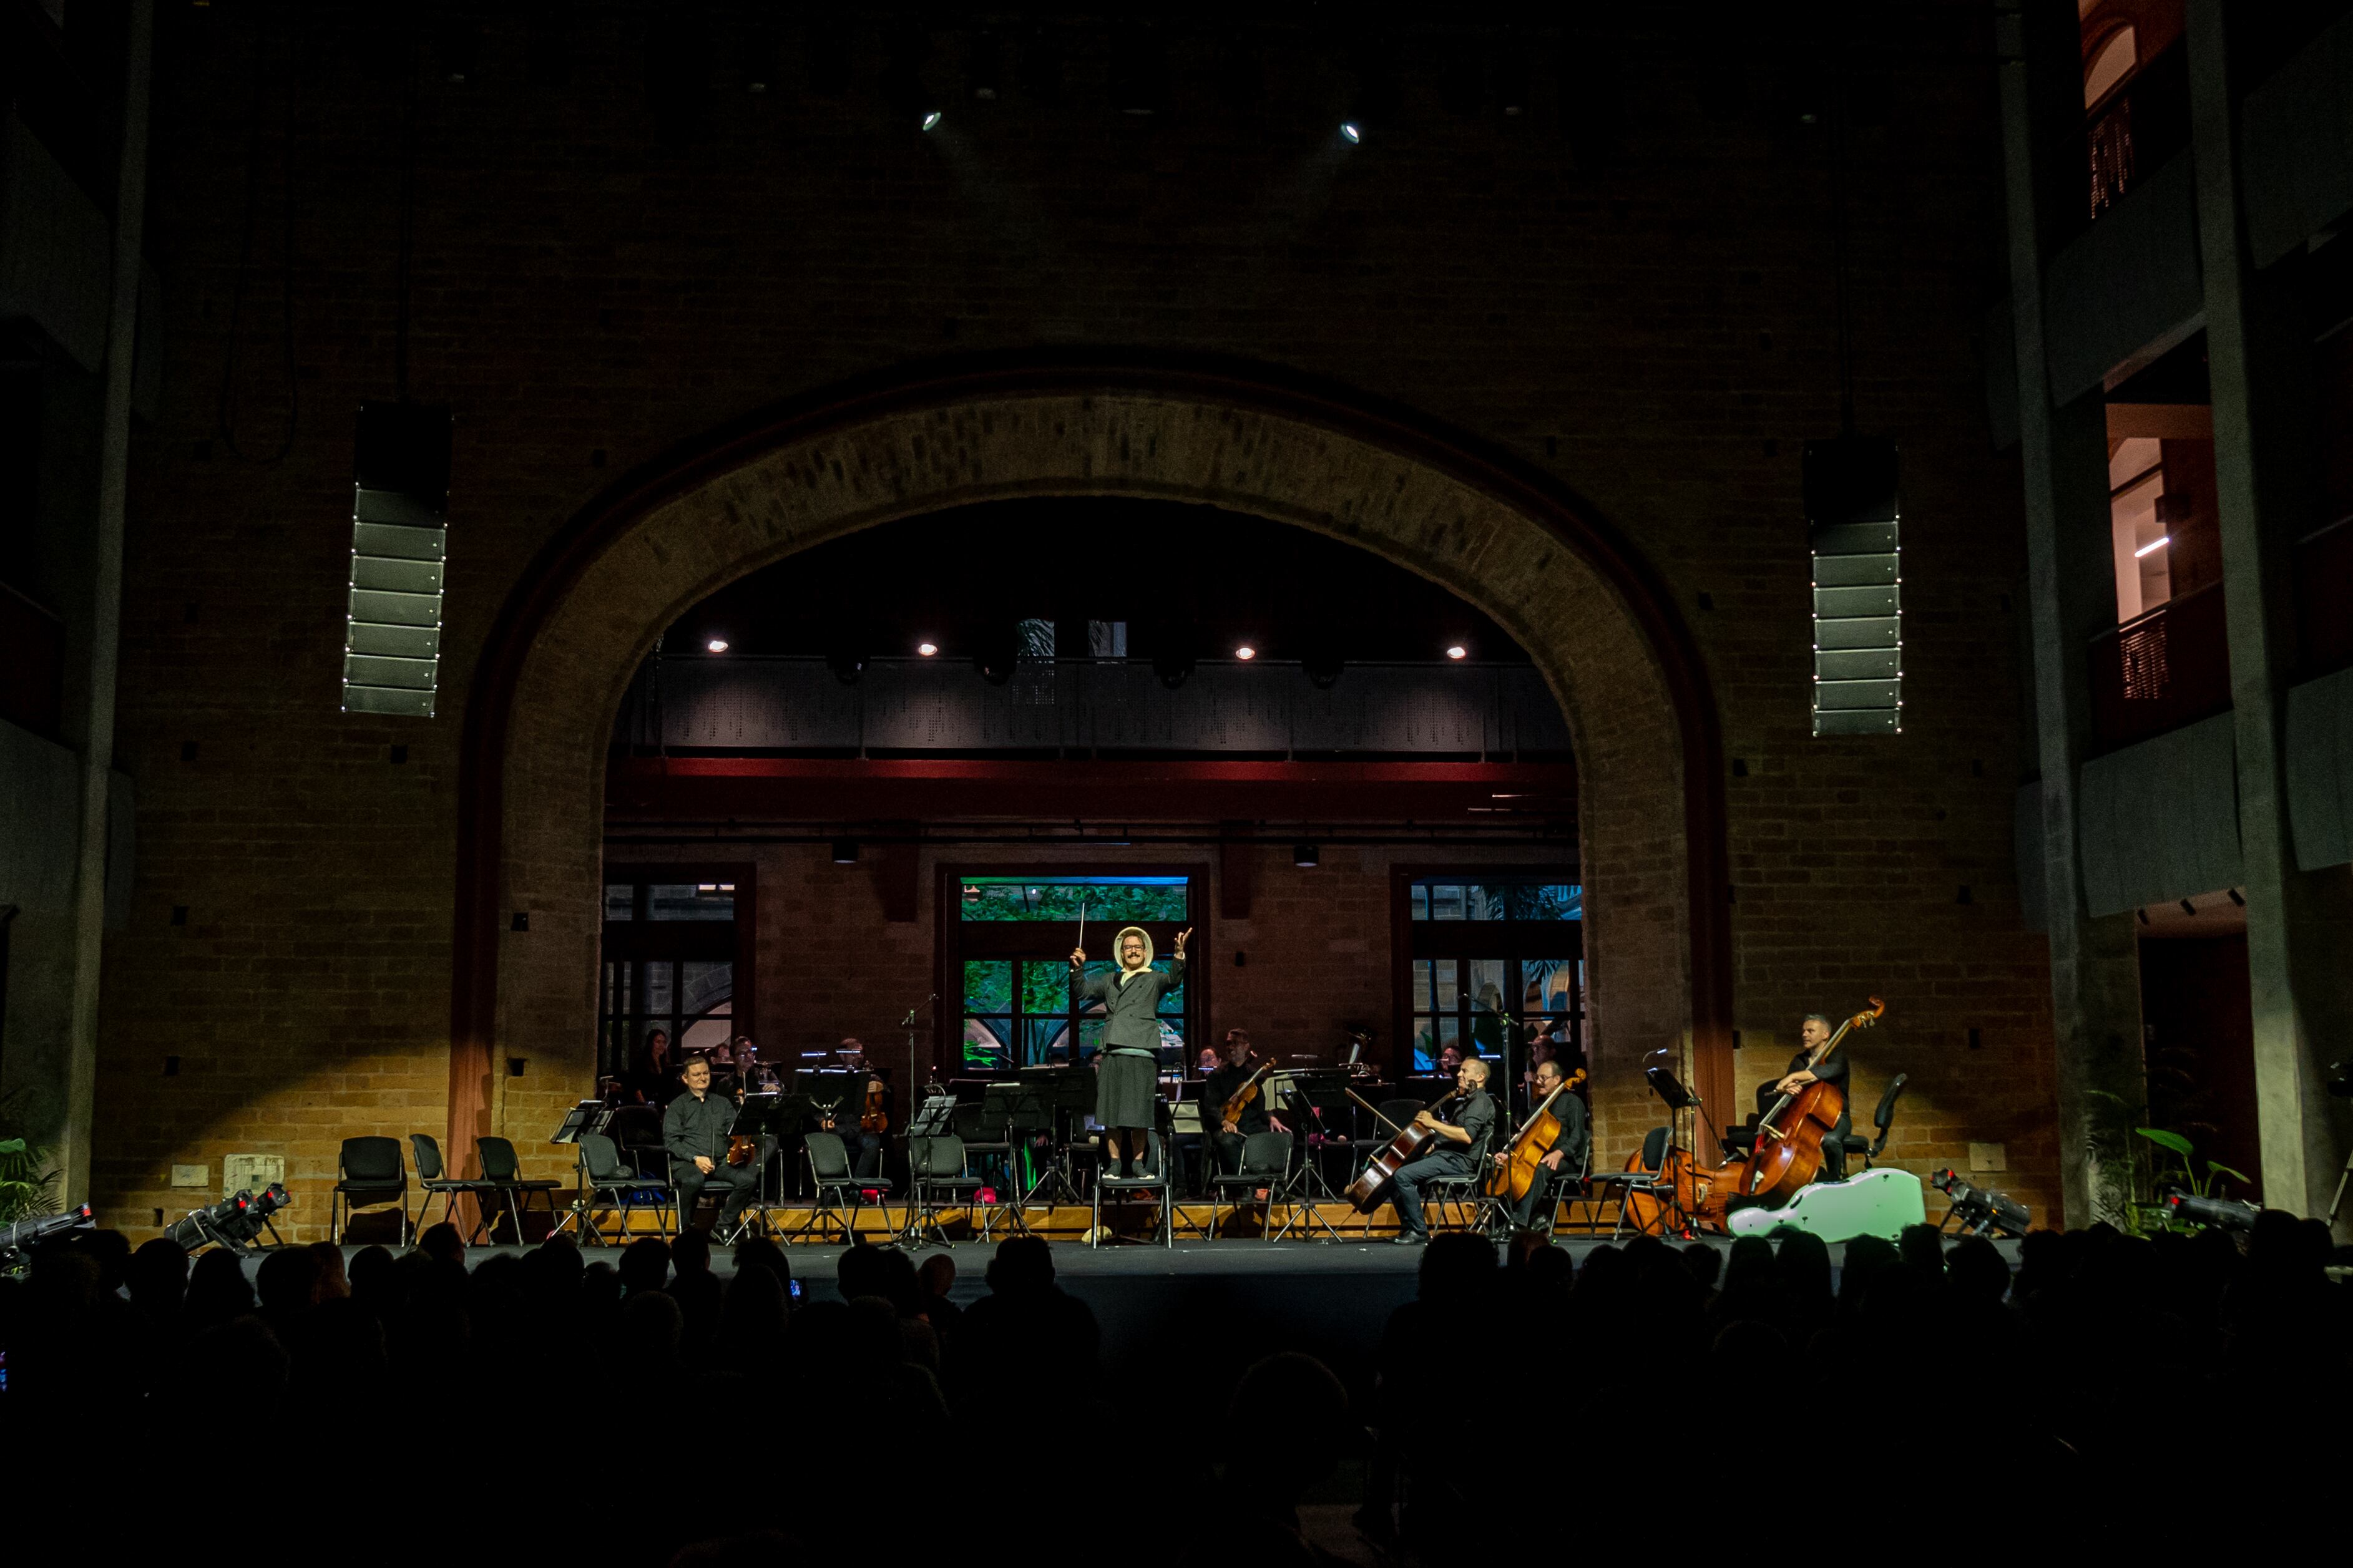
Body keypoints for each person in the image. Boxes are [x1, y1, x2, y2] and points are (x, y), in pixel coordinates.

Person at [1069, 924, 1189, 1179]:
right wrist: (1078, 968)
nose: (1133, 951)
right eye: (1128, 948)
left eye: (1137, 947)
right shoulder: (1109, 980)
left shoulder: (1154, 978)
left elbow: (1175, 979)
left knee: (1140, 1113)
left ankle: (1137, 1163)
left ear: (1145, 952)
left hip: (1142, 1052)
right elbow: (1082, 992)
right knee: (1111, 1112)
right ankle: (1114, 1163)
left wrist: (1179, 955)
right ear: (1121, 953)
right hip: (1113, 1052)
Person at [1387, 1058, 1495, 1245]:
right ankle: (1408, 1228)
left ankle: (1419, 1231)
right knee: (1395, 1173)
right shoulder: (1467, 1102)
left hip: (1462, 1162)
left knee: (1403, 1176)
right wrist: (1435, 1145)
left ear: (1480, 1076)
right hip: (1448, 1156)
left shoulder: (1480, 1103)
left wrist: (1432, 1123)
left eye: (1464, 1071)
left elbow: (1467, 1136)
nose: (1459, 1075)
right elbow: (1452, 1134)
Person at [664, 1056, 760, 1235]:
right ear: (685, 1079)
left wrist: (746, 1121)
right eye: (697, 1074)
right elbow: (671, 1142)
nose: (703, 1077)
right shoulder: (677, 1106)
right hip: (688, 1164)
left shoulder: (721, 1103)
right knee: (694, 1180)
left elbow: (736, 1131)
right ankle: (685, 1229)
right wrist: (695, 1159)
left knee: (747, 1181)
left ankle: (723, 1224)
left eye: (706, 1073)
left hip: (719, 1163)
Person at [1755, 1012, 1853, 1183]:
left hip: (1837, 1117)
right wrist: (1788, 1089)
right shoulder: (1799, 1060)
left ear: (1825, 1035)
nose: (1804, 1035)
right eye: (1804, 1031)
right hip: (1804, 1116)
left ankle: (1836, 1181)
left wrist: (1792, 1077)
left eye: (1810, 1031)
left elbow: (1828, 1072)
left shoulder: (1837, 1057)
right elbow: (1791, 1090)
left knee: (1830, 1141)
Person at [1496, 1057, 1588, 1232]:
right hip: (1539, 1156)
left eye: (1543, 1078)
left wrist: (1559, 1152)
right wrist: (1512, 1155)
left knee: (1540, 1170)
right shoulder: (1539, 1104)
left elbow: (1578, 1137)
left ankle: (1519, 1222)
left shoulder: (1573, 1103)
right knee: (1507, 1172)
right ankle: (1533, 1217)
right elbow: (1529, 1138)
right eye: (1537, 1077)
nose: (1538, 1082)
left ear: (1557, 1080)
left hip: (1567, 1160)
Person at [1203, 1027, 1281, 1177]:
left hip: (1251, 1125)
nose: (1230, 1047)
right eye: (1228, 1044)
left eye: (1235, 1043)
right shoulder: (1216, 1075)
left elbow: (1262, 1106)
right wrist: (1224, 1121)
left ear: (1246, 1047)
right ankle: (1249, 1183)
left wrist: (1271, 1117)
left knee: (1278, 1137)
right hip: (1227, 1125)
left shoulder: (1255, 1076)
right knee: (1227, 1142)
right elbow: (1210, 1106)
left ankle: (1275, 1184)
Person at [818, 1036, 886, 1179]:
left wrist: (881, 1086)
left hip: (861, 1127)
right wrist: (822, 1120)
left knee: (873, 1143)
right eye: (854, 1053)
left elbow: (886, 1092)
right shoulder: (831, 1079)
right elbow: (816, 1103)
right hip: (837, 1127)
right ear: (843, 1056)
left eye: (861, 1053)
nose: (859, 1056)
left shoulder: (869, 1076)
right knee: (830, 1144)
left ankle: (857, 1186)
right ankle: (838, 1189)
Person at [628, 1026, 675, 1104]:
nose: (662, 1045)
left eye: (664, 1042)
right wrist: (644, 1105)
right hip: (646, 1105)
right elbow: (635, 1087)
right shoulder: (641, 1063)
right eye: (658, 1042)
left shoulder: (666, 1065)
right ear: (651, 1043)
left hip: (661, 1104)